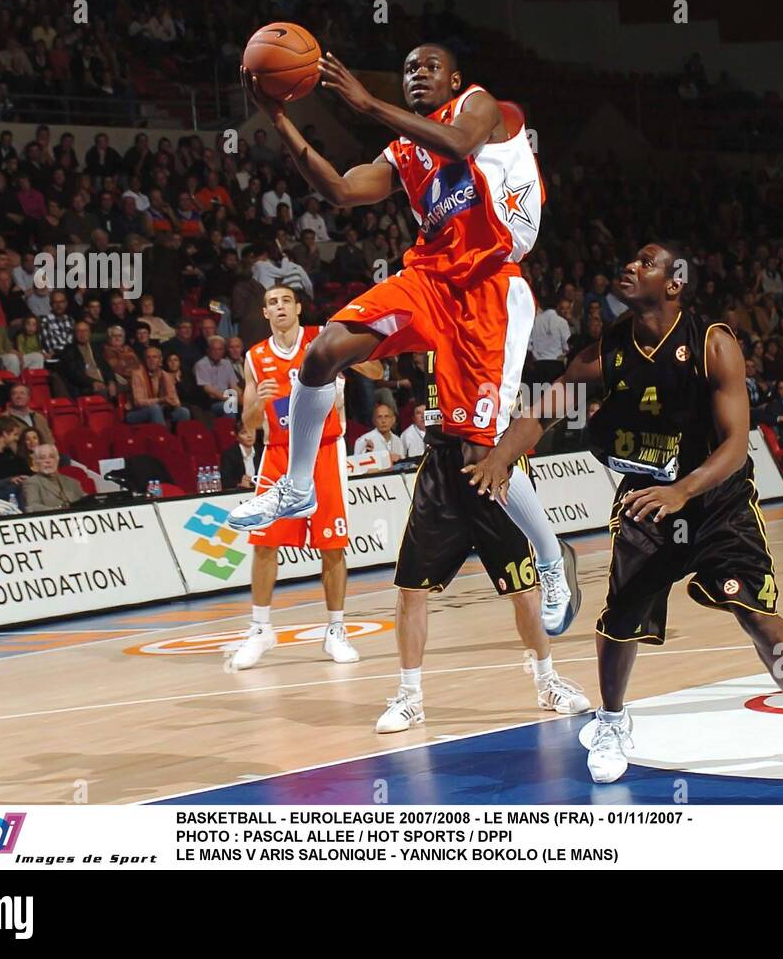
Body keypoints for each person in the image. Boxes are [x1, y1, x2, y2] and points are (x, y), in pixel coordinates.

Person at [227, 43, 578, 634]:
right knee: (322, 354)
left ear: (455, 77)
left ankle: (551, 558)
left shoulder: (483, 107)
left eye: (428, 67)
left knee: (479, 458)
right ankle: (294, 489)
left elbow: (460, 143)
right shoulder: (403, 149)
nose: (417, 75)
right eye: (408, 68)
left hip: (490, 286)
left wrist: (366, 103)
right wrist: (279, 118)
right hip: (428, 277)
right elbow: (340, 189)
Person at [468, 243, 783, 783]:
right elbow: (547, 407)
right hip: (648, 496)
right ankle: (613, 721)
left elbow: (737, 444)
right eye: (630, 260)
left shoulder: (714, 344)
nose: (630, 266)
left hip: (716, 499)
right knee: (620, 618)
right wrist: (501, 456)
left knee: (753, 611)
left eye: (646, 262)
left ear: (673, 284)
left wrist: (685, 490)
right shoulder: (607, 349)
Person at [376, 347, 589, 733]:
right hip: (441, 470)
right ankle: (410, 697)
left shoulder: (490, 323)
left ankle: (547, 682)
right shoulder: (422, 325)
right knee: (411, 589)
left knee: (524, 590)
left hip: (494, 458)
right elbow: (374, 362)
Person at [226, 286, 361, 671]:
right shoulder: (255, 357)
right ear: (265, 313)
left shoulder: (323, 338)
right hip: (279, 453)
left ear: (298, 308)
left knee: (332, 544)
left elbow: (373, 368)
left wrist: (351, 354)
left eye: (286, 301)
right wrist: (259, 402)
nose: (279, 307)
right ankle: (260, 630)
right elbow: (247, 424)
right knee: (264, 543)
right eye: (272, 303)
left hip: (324, 449)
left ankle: (335, 630)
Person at [127, 345, 190, 427]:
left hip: (161, 410)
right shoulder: (137, 374)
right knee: (155, 408)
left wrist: (174, 403)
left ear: (160, 361)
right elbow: (138, 402)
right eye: (148, 357)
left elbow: (175, 400)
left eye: (155, 357)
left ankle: (180, 439)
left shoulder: (166, 376)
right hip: (136, 413)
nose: (151, 360)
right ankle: (163, 437)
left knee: (184, 412)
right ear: (144, 360)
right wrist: (161, 400)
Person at [22, 443, 84, 512]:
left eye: (51, 457)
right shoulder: (32, 483)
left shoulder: (72, 482)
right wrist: (57, 510)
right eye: (43, 458)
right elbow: (32, 507)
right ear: (36, 462)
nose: (48, 461)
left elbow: (87, 501)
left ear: (57, 459)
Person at [352, 402, 405, 468]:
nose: (383, 421)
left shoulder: (398, 441)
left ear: (393, 420)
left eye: (387, 416)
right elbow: (356, 467)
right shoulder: (364, 440)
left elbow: (404, 465)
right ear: (374, 421)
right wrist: (387, 460)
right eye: (379, 417)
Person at [220, 420, 261, 489]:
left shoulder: (261, 452)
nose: (249, 435)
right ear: (237, 437)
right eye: (244, 433)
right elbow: (225, 481)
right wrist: (239, 484)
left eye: (252, 431)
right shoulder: (229, 455)